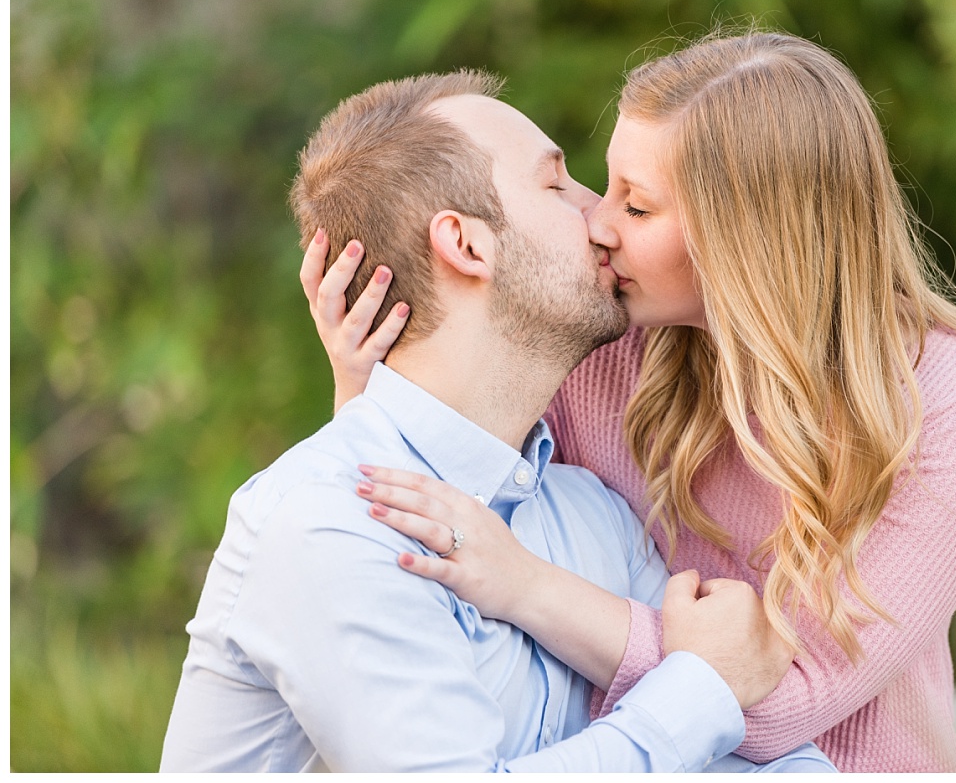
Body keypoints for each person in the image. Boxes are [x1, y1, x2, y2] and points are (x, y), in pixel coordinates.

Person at [310, 30, 956, 773]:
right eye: (602, 183)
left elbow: (782, 702)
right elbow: (427, 524)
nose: (596, 222)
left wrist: (526, 584)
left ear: (746, 238)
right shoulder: (604, 351)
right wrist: (362, 388)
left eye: (636, 206)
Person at [160, 70, 837, 772]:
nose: (600, 219)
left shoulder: (595, 517)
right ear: (467, 244)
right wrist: (703, 688)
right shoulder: (329, 520)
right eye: (557, 186)